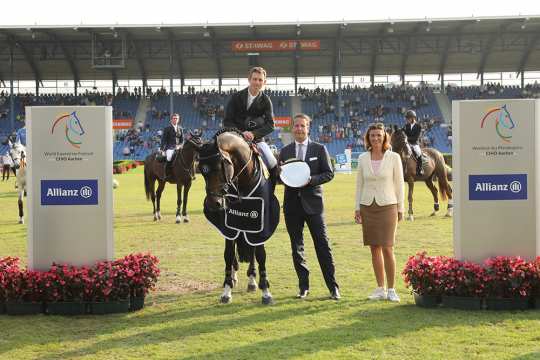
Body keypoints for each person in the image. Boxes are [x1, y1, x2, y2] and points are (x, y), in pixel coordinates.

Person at [279, 113, 340, 300]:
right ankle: (303, 287)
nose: (299, 129)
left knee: (323, 246)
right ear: (292, 129)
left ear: (308, 128)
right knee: (296, 247)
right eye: (296, 126)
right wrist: (279, 174)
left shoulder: (319, 149)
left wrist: (311, 180)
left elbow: (329, 174)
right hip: (291, 206)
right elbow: (280, 179)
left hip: (314, 205)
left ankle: (333, 287)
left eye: (302, 126)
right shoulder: (285, 151)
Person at [354, 123, 404, 302]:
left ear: (384, 137)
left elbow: (399, 184)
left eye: (379, 135)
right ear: (368, 138)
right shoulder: (362, 158)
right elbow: (359, 184)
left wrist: (401, 208)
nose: (375, 138)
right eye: (372, 135)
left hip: (388, 206)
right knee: (374, 248)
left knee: (388, 247)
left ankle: (391, 289)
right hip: (368, 206)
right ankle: (380, 288)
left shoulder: (394, 157)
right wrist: (357, 207)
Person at [223, 66, 277, 171]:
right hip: (235, 137)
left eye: (260, 80)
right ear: (249, 79)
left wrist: (253, 134)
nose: (257, 82)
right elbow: (227, 121)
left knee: (272, 162)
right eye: (255, 79)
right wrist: (241, 133)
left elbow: (271, 125)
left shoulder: (266, 100)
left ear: (264, 82)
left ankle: (272, 187)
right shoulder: (235, 97)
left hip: (257, 140)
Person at [160, 113, 185, 180]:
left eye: (176, 118)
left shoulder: (180, 128)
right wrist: (162, 149)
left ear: (178, 120)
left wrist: (179, 146)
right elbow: (163, 140)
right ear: (171, 120)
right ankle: (166, 174)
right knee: (169, 157)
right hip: (170, 147)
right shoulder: (167, 129)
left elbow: (182, 140)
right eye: (174, 118)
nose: (175, 120)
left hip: (178, 147)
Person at [402, 109, 424, 176]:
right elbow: (403, 132)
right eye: (407, 118)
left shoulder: (418, 126)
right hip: (407, 143)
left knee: (418, 153)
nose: (407, 120)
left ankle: (420, 169)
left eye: (408, 118)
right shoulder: (406, 125)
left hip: (414, 143)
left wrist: (407, 139)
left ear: (413, 118)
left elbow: (416, 137)